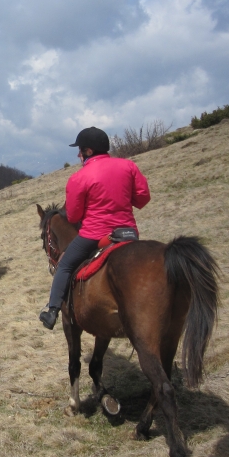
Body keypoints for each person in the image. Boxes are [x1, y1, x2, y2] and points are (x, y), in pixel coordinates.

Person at [39, 127, 150, 329]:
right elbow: (143, 199)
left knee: (63, 265)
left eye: (80, 150)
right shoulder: (129, 166)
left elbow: (73, 216)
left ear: (88, 151)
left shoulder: (79, 178)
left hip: (94, 234)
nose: (78, 154)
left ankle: (52, 311)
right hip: (129, 233)